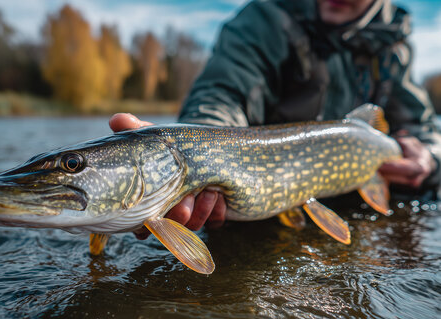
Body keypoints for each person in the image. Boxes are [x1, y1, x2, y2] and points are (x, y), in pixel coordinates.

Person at [110, 0, 441, 237]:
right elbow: (222, 94)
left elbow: (421, 127)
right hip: (263, 205)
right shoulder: (264, 20)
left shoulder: (391, 44)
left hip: (361, 196)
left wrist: (430, 157)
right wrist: (192, 148)